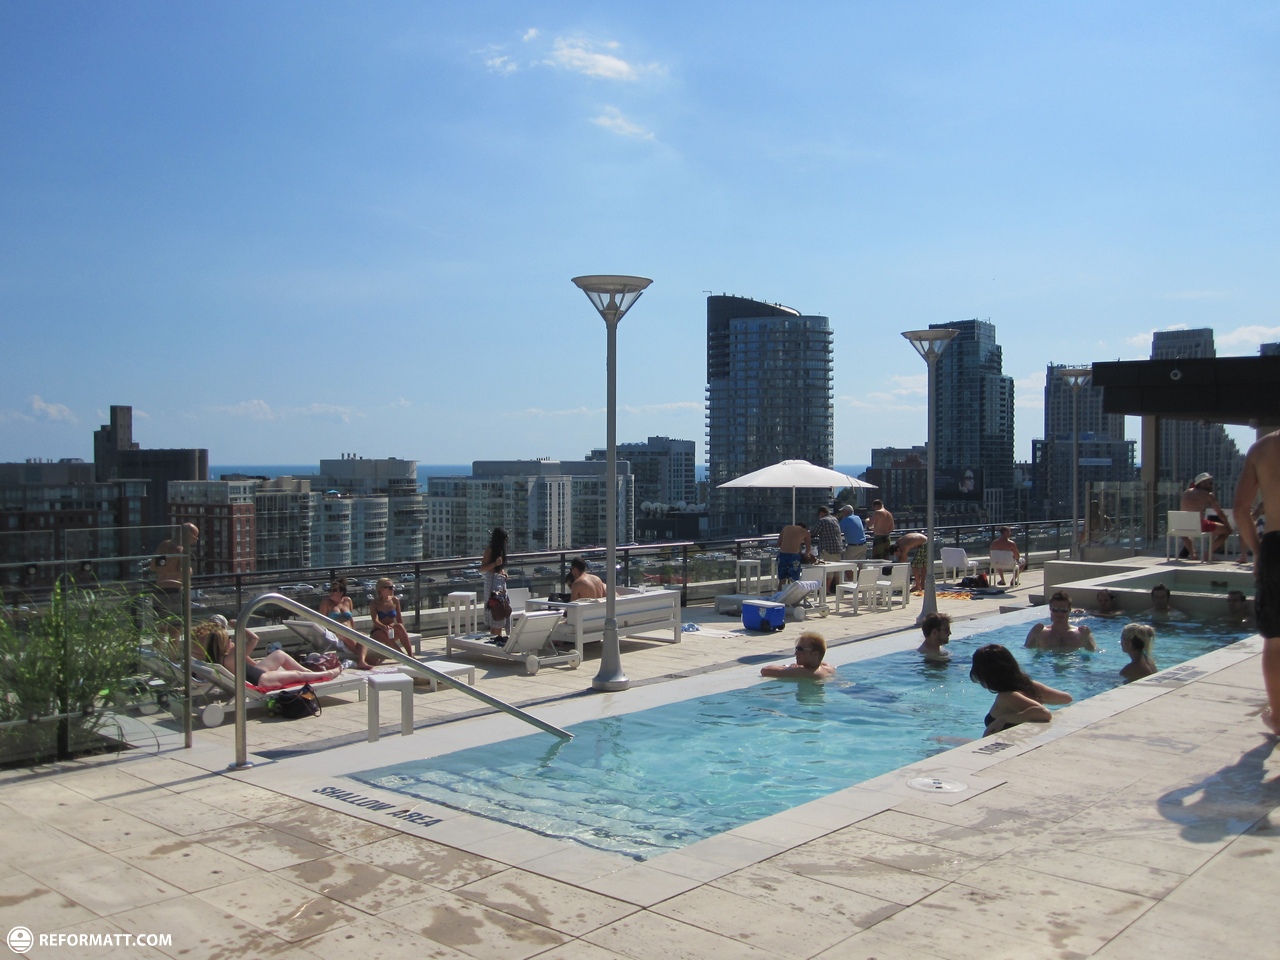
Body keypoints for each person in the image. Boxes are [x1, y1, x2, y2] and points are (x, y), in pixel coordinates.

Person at [1232, 428, 1280, 734]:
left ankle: (1278, 717)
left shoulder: (1263, 449)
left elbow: (1240, 509)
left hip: (1276, 548)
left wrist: (1258, 552)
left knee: (1275, 639)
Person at [195, 621, 342, 689]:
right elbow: (254, 639)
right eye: (228, 638)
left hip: (256, 672)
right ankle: (327, 674)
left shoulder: (219, 657)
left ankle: (310, 672)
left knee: (279, 654)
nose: (231, 640)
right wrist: (239, 625)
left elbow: (246, 661)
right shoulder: (231, 657)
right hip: (261, 680)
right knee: (297, 675)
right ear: (221, 644)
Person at [970, 643, 1072, 736]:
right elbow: (1066, 699)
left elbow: (1044, 713)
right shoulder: (1029, 686)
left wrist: (1004, 719)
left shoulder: (1007, 697)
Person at [320, 579, 370, 669]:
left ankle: (362, 660)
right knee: (350, 638)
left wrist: (354, 631)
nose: (331, 593)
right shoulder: (326, 603)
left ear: (342, 592)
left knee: (364, 636)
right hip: (336, 633)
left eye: (334, 590)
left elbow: (350, 619)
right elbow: (322, 622)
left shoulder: (347, 600)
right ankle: (363, 659)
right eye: (330, 590)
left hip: (349, 632)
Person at [1181, 472, 1231, 559]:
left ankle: (1193, 554)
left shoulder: (1186, 492)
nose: (1212, 485)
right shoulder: (1208, 495)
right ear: (1202, 483)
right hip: (1199, 525)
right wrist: (1228, 525)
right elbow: (1219, 512)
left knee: (1184, 534)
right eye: (1210, 483)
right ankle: (1207, 555)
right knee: (1227, 531)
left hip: (1183, 525)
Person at [1025, 591, 1096, 651]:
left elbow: (1093, 652)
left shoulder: (1081, 633)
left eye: (1063, 610)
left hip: (1073, 662)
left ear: (1069, 610)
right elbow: (1028, 650)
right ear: (1050, 609)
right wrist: (1035, 637)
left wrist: (1086, 639)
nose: (1059, 613)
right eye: (1055, 609)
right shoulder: (1040, 632)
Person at [760, 630, 835, 680]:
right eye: (796, 649)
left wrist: (789, 668)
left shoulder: (802, 672)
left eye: (800, 649)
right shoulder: (828, 668)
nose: (795, 653)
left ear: (814, 654)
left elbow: (765, 670)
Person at [369, 577, 413, 656]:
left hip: (391, 630)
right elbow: (375, 621)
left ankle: (410, 655)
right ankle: (402, 657)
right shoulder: (374, 603)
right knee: (383, 635)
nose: (392, 589)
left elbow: (399, 619)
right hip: (378, 630)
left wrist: (400, 632)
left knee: (399, 626)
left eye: (393, 587)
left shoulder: (394, 600)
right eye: (390, 587)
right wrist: (384, 627)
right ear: (381, 589)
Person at [480, 527, 510, 640]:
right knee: (495, 608)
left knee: (500, 608)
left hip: (499, 581)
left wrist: (502, 571)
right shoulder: (490, 550)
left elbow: (498, 568)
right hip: (491, 582)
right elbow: (482, 568)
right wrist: (495, 564)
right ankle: (496, 637)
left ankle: (496, 636)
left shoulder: (501, 550)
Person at [812, 506, 845, 592]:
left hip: (828, 548)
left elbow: (814, 532)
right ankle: (838, 589)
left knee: (828, 571)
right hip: (838, 548)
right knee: (837, 570)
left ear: (821, 512)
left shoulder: (823, 520)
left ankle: (826, 590)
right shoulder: (835, 519)